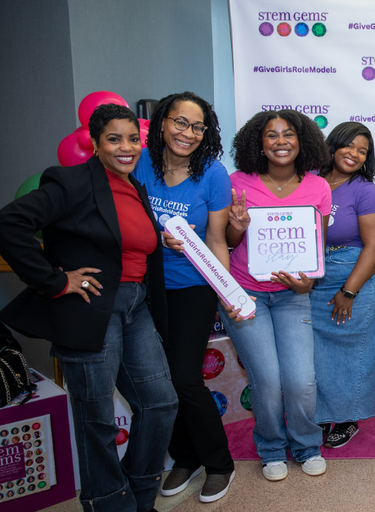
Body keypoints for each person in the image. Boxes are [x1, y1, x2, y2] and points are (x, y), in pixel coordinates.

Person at [0, 104, 177, 512]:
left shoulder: (135, 186)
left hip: (136, 306)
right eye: (114, 139)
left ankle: (137, 495)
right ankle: (109, 503)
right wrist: (56, 281)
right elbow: (6, 223)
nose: (126, 147)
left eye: (133, 139)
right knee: (97, 417)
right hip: (92, 307)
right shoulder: (71, 181)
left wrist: (161, 239)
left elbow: (122, 241)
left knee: (160, 403)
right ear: (95, 143)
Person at [133, 92, 235, 502]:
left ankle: (220, 463)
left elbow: (217, 239)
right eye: (180, 122)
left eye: (197, 127)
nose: (188, 133)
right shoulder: (139, 162)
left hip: (193, 288)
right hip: (144, 289)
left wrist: (226, 290)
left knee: (184, 377)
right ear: (161, 123)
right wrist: (158, 237)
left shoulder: (213, 174)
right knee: (158, 382)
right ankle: (185, 457)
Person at [223, 109, 331, 481]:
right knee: (267, 380)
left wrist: (308, 284)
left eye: (288, 134)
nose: (280, 141)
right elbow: (228, 241)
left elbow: (317, 248)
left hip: (292, 296)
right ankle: (271, 450)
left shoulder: (318, 187)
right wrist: (237, 226)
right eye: (272, 135)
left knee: (301, 381)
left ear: (302, 141)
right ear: (259, 143)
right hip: (247, 293)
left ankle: (306, 446)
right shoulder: (238, 182)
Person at [312, 122, 375, 448]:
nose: (355, 154)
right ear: (334, 144)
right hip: (316, 277)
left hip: (357, 277)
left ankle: (347, 418)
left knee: (353, 352)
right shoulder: (311, 179)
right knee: (317, 352)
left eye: (363, 151)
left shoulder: (364, 190)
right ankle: (319, 414)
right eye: (349, 146)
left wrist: (348, 291)